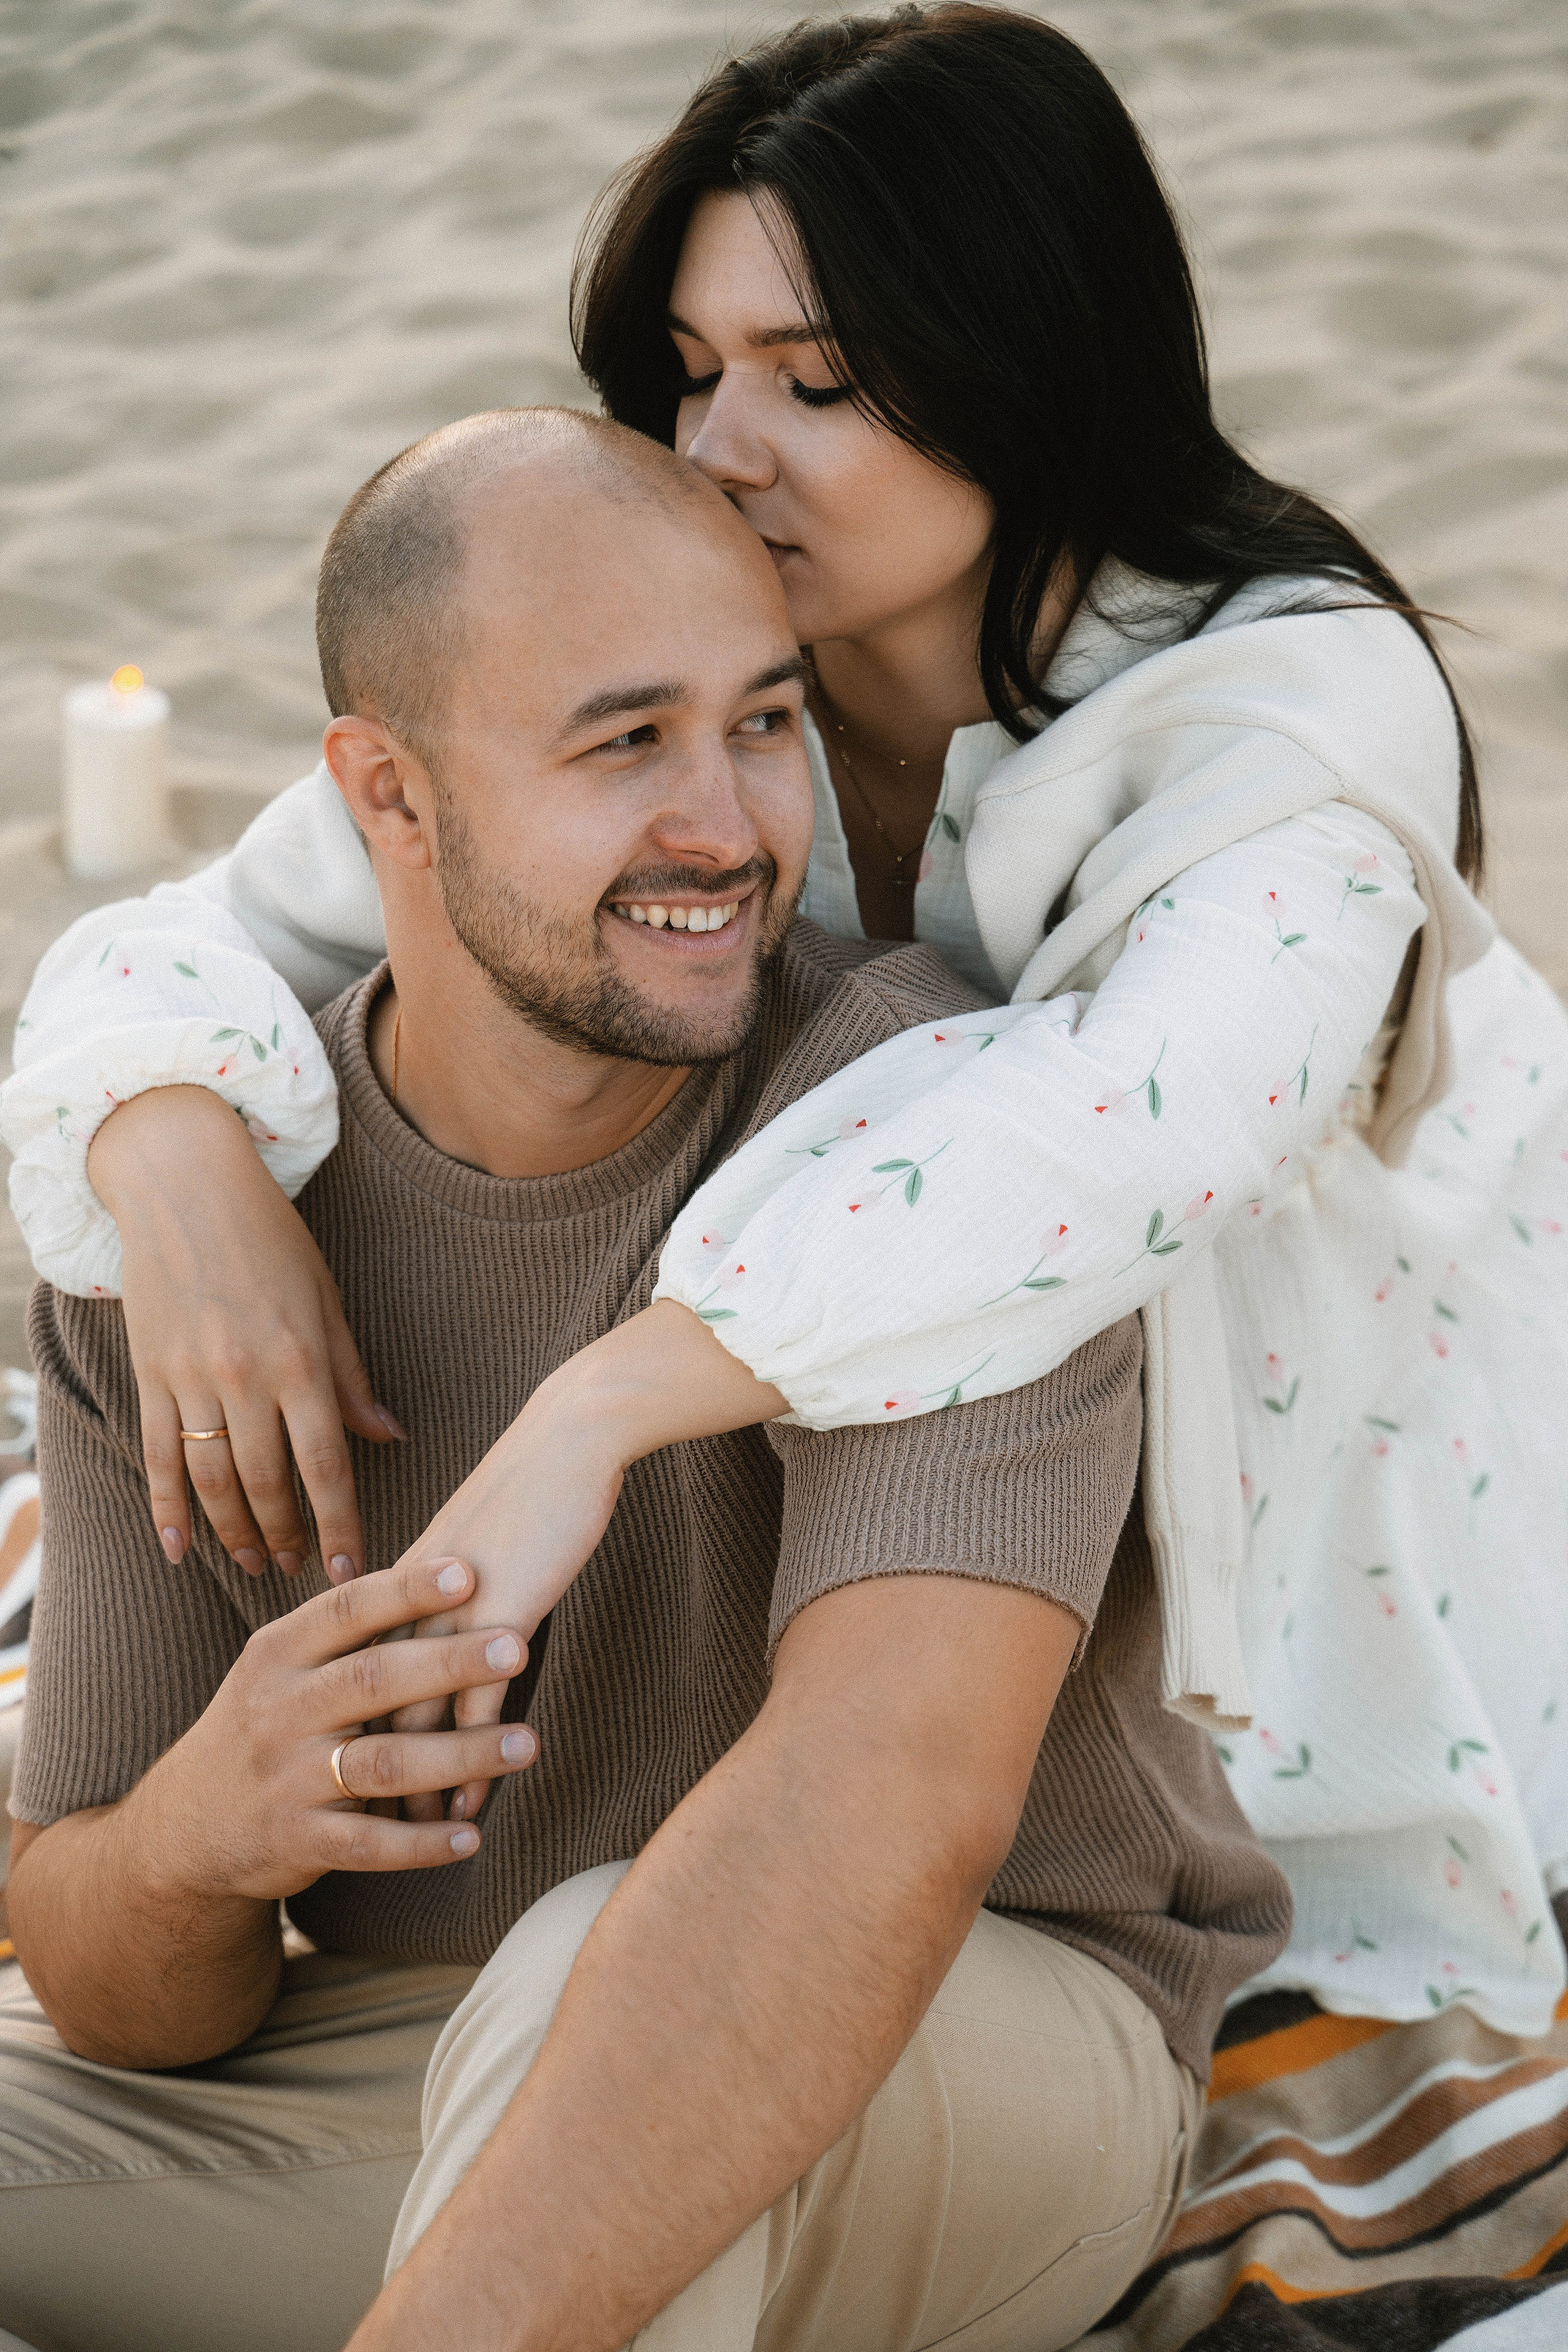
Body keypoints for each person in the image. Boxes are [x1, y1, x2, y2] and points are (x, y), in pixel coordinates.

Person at [7, 4, 1568, 2029]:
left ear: (1031, 373)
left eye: (814, 382)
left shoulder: (1290, 704)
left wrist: (600, 1406)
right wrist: (179, 1161)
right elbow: (197, 936)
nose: (718, 453)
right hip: (920, 1485)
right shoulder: (712, 660)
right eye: (690, 372)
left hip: (1329, 1423)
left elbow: (1127, 1130)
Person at [0, 409, 1288, 2352]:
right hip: (415, 2056)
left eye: (763, 722)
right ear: (391, 798)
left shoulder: (930, 1137)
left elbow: (890, 1821)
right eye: (627, 742)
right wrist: (208, 1830)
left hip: (979, 2043)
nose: (730, 826)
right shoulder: (194, 1238)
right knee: (531, 2032)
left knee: (600, 1970)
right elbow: (127, 1997)